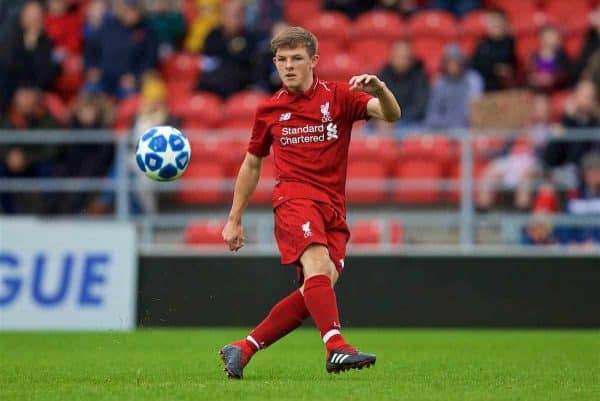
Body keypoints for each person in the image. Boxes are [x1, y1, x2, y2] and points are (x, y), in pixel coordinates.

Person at [219, 26, 401, 379]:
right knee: (317, 265)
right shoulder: (269, 110)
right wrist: (234, 217)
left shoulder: (339, 96)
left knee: (316, 289)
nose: (288, 66)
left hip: (333, 207)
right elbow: (252, 162)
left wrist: (379, 88)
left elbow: (392, 115)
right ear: (274, 63)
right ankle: (336, 347)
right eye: (282, 60)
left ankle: (243, 347)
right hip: (294, 199)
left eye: (296, 59)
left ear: (313, 61)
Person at [195, 0, 259, 97]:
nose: (234, 19)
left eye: (238, 15)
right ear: (222, 16)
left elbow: (245, 60)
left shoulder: (250, 37)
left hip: (238, 84)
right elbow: (207, 59)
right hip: (212, 81)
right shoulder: (213, 35)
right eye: (230, 15)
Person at [425, 43, 482, 130]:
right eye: (450, 62)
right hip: (444, 129)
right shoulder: (439, 82)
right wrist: (448, 124)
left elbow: (474, 110)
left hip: (468, 129)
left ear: (462, 62)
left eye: (456, 61)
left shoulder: (473, 79)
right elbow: (432, 114)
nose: (453, 66)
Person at [470, 8, 516, 92]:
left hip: (504, 87)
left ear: (505, 23)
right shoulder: (482, 42)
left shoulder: (510, 42)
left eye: (498, 21)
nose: (496, 24)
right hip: (483, 86)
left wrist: (491, 66)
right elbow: (474, 64)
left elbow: (506, 61)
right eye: (492, 21)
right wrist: (494, 68)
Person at [525, 26, 571, 93]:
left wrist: (552, 79)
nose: (552, 40)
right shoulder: (532, 57)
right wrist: (535, 79)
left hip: (556, 89)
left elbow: (565, 75)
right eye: (548, 37)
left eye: (554, 37)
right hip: (537, 90)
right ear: (541, 39)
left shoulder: (563, 57)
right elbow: (528, 74)